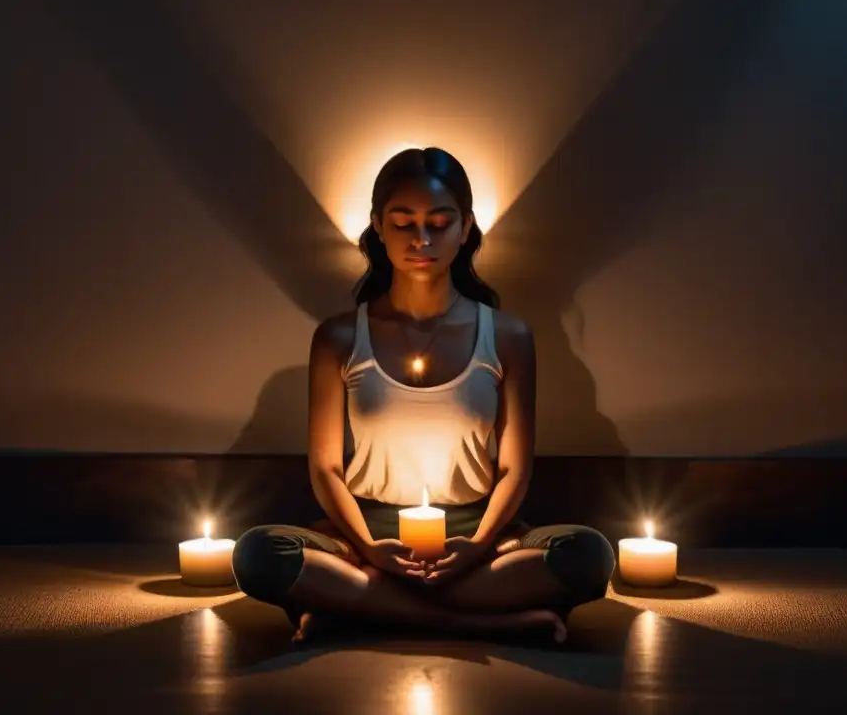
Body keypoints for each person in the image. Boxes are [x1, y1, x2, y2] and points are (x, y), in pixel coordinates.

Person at [232, 147, 615, 643]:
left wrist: (476, 549)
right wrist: (370, 550)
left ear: (466, 228)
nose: (422, 239)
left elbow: (514, 469)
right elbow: (325, 468)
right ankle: (472, 623)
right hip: (363, 532)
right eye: (403, 222)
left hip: (480, 533)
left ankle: (354, 611)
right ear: (377, 226)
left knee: (588, 555)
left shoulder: (507, 336)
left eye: (439, 222)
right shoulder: (340, 338)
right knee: (258, 554)